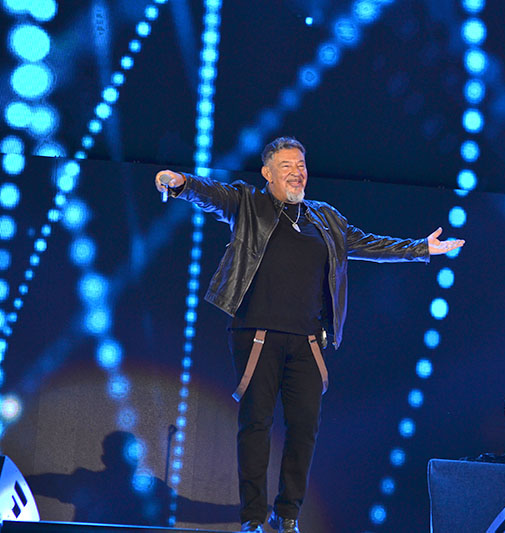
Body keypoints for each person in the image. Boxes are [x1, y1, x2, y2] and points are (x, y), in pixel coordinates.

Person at [154, 136, 464, 533]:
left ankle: (287, 515)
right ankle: (253, 518)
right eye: (286, 166)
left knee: (304, 429)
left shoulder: (325, 218)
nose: (297, 173)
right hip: (257, 336)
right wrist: (180, 183)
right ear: (267, 173)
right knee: (256, 424)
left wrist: (420, 248)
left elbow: (368, 244)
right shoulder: (248, 203)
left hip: (307, 342)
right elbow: (212, 195)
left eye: (300, 165)